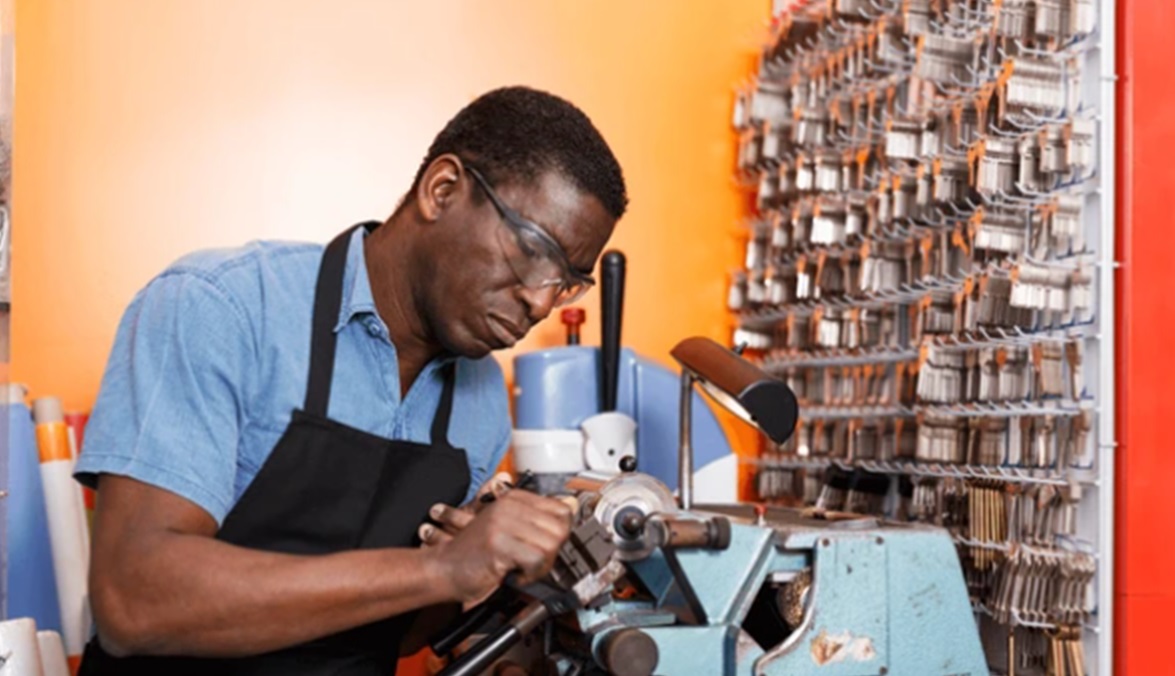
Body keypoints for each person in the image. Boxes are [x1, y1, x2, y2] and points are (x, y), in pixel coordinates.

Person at [73, 86, 628, 675]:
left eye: (567, 280)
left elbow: (402, 634)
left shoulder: (481, 398)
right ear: (442, 190)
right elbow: (133, 600)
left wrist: (476, 568)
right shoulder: (222, 307)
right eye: (534, 252)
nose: (541, 302)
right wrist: (437, 570)